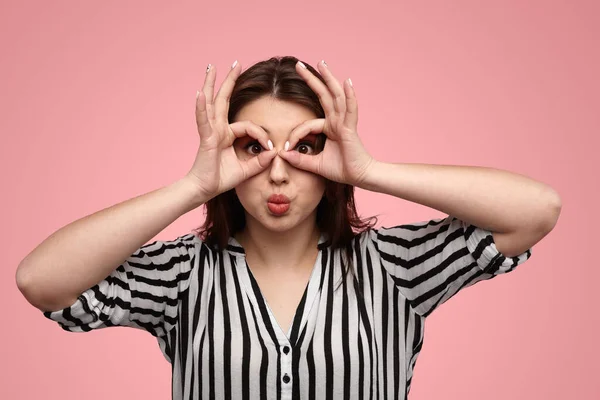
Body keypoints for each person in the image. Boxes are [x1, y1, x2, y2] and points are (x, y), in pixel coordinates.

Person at [16, 56, 562, 400]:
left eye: (305, 147)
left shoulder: (395, 267)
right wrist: (193, 186)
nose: (277, 173)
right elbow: (42, 280)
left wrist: (369, 172)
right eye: (254, 148)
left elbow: (535, 209)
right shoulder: (182, 273)